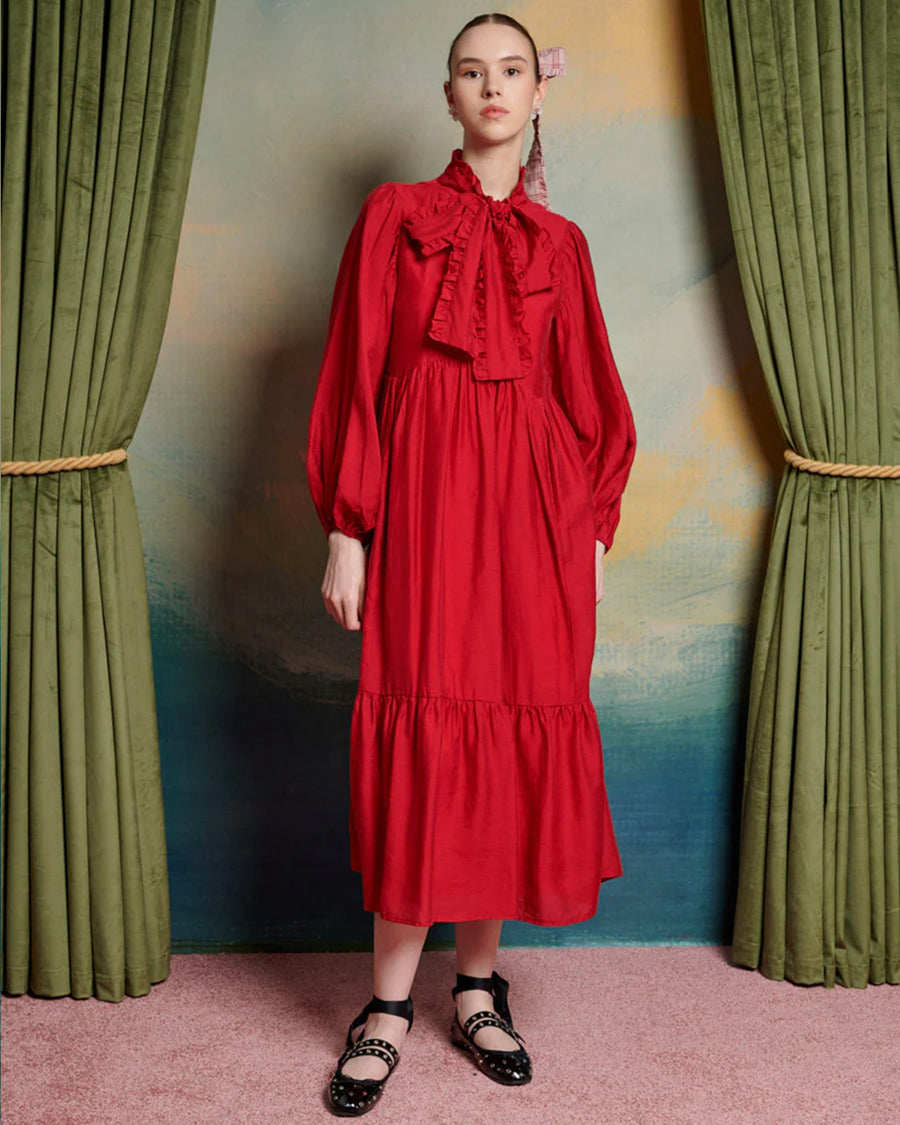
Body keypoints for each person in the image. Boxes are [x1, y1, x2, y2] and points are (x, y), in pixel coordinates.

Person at [306, 12, 636, 1116]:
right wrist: (348, 526)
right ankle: (387, 1007)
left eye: (510, 72)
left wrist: (592, 535)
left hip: (539, 529)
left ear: (537, 96)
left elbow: (592, 404)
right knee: (427, 717)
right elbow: (356, 371)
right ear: (446, 94)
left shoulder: (565, 244)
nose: (491, 88)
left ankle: (478, 988)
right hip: (430, 512)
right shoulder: (395, 218)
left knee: (508, 724)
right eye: (469, 72)